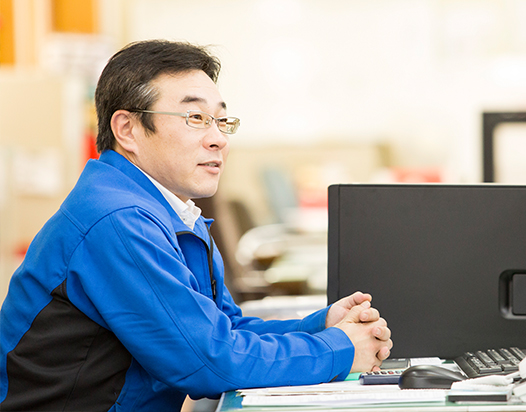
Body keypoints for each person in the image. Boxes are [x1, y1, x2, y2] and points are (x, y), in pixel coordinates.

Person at [0, 39, 392, 412]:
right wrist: (339, 348)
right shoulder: (117, 220)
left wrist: (320, 326)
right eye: (196, 118)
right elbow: (209, 362)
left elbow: (224, 329)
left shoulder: (171, 211)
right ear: (127, 130)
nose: (218, 139)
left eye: (222, 121)